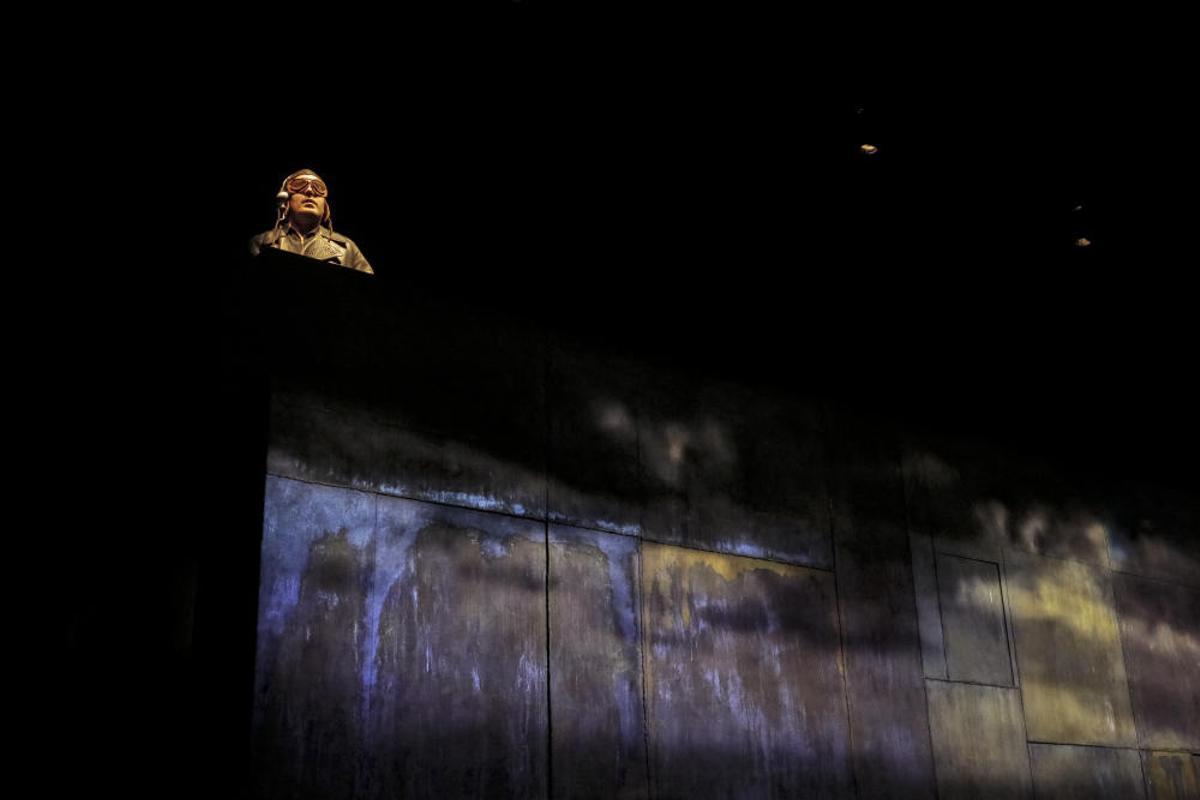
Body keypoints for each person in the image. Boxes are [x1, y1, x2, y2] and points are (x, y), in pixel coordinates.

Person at [250, 169, 374, 274]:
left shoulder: (347, 248)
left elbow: (369, 290)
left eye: (318, 188)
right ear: (285, 200)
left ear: (324, 205)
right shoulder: (262, 242)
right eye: (299, 185)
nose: (310, 191)